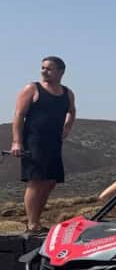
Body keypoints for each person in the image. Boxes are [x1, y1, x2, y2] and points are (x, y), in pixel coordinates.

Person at [11, 56, 76, 236]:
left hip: (54, 142)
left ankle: (37, 221)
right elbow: (18, 115)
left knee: (50, 181)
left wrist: (67, 127)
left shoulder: (67, 93)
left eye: (49, 68)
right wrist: (17, 141)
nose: (44, 71)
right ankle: (32, 225)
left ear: (61, 72)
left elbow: (72, 111)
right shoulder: (32, 89)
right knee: (36, 180)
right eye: (42, 68)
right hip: (34, 141)